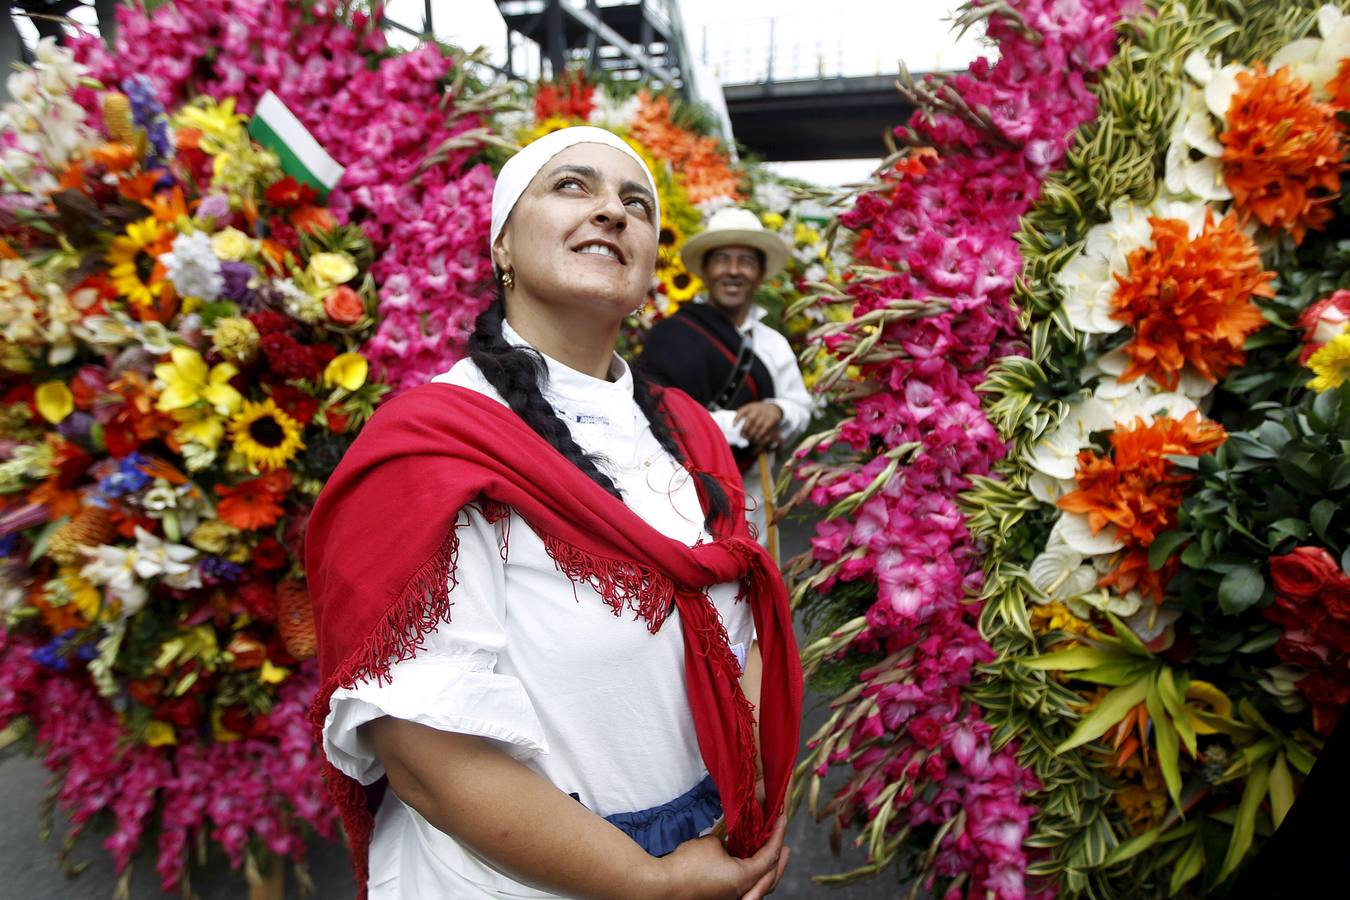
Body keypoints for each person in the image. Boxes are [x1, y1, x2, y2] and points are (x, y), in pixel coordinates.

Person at [305, 127, 803, 900]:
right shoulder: (431, 448)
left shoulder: (688, 427)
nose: (612, 210)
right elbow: (427, 759)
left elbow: (740, 622)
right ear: (501, 246)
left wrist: (752, 806)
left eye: (636, 203)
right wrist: (650, 883)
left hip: (706, 851)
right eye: (573, 186)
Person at [638, 207, 812, 545]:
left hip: (752, 502)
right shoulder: (669, 336)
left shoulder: (773, 345)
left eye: (746, 261)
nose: (733, 271)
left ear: (761, 273)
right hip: (678, 501)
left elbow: (801, 407)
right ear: (704, 269)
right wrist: (740, 424)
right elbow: (652, 413)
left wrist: (777, 411)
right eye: (722, 260)